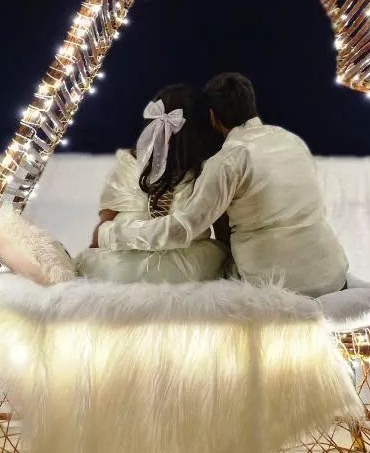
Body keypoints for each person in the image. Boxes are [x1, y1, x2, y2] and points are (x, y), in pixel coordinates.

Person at [96, 72, 348, 297]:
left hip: (271, 283)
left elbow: (182, 229)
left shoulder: (226, 161)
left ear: (212, 117)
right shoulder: (292, 141)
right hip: (332, 274)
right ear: (252, 104)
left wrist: (110, 233)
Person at [78, 84, 229, 284]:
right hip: (187, 268)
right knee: (215, 258)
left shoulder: (128, 164)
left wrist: (103, 238)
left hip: (124, 267)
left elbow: (103, 229)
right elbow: (222, 231)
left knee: (110, 263)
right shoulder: (208, 169)